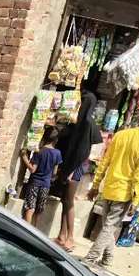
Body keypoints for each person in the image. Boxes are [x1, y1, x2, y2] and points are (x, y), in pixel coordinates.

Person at [83, 106, 139, 267]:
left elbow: (104, 162)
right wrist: (136, 199)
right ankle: (91, 259)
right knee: (109, 227)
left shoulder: (120, 135)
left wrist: (96, 185)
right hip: (124, 192)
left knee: (109, 227)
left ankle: (107, 260)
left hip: (109, 188)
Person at [53, 89, 102, 252]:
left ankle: (70, 238)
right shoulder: (80, 121)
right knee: (64, 200)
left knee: (69, 202)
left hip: (76, 168)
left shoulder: (87, 124)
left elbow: (84, 152)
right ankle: (61, 235)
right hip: (70, 165)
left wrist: (73, 171)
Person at [19, 127, 63, 225]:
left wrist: (24, 157)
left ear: (44, 137)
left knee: (30, 207)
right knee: (39, 210)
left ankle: (27, 230)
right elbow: (55, 172)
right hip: (46, 185)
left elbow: (32, 169)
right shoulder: (57, 153)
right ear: (56, 140)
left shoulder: (40, 151)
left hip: (34, 183)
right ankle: (34, 231)